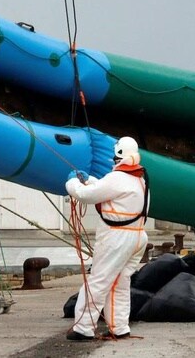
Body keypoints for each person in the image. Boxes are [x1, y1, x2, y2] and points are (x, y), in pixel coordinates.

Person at [65, 136, 150, 341]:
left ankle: (83, 327)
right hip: (137, 237)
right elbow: (105, 188)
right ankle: (119, 327)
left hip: (117, 238)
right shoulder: (140, 179)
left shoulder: (118, 178)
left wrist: (73, 182)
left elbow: (88, 195)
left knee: (99, 280)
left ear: (118, 154)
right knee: (119, 283)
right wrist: (90, 180)